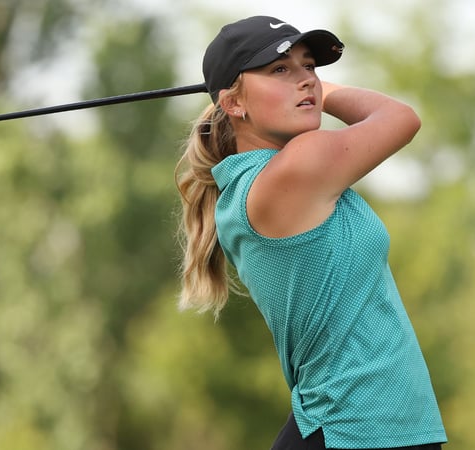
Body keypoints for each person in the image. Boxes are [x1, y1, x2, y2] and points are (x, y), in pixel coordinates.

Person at [174, 16, 448, 450]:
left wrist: (294, 89)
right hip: (354, 432)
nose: (305, 81)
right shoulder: (298, 167)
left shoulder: (265, 180)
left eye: (310, 68)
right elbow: (400, 118)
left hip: (365, 432)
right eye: (280, 69)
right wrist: (324, 94)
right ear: (233, 104)